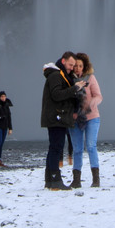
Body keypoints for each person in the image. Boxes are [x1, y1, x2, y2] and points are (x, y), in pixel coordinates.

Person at [40, 53, 79, 190]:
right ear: (63, 61)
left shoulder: (60, 75)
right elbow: (57, 95)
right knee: (56, 148)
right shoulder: (56, 75)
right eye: (70, 65)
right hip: (56, 117)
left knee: (54, 148)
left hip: (57, 116)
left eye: (73, 66)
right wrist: (75, 88)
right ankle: (55, 181)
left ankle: (50, 181)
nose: (71, 68)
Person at [70, 52, 103, 188]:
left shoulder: (90, 78)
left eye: (80, 65)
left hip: (91, 117)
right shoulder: (69, 81)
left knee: (91, 146)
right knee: (77, 149)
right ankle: (76, 180)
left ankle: (96, 179)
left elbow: (98, 96)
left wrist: (92, 103)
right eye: (75, 66)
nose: (77, 68)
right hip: (75, 119)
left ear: (84, 67)